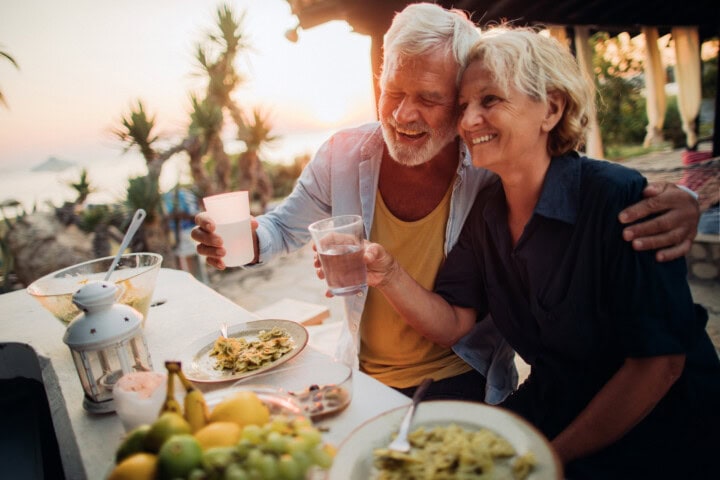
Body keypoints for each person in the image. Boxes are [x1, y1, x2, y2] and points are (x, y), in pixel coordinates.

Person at [192, 3, 700, 404]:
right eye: (393, 92)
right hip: (362, 369)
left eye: (431, 98)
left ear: (459, 92)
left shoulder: (488, 161)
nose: (404, 114)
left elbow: (563, 163)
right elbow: (281, 229)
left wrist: (685, 199)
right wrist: (243, 239)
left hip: (462, 372)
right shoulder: (343, 155)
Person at [360, 25, 720, 478]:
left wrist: (549, 457)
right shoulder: (488, 211)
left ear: (551, 108)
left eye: (490, 101)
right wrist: (386, 271)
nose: (468, 121)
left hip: (668, 426)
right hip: (561, 399)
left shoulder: (619, 199)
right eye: (465, 105)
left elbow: (660, 364)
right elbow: (453, 322)